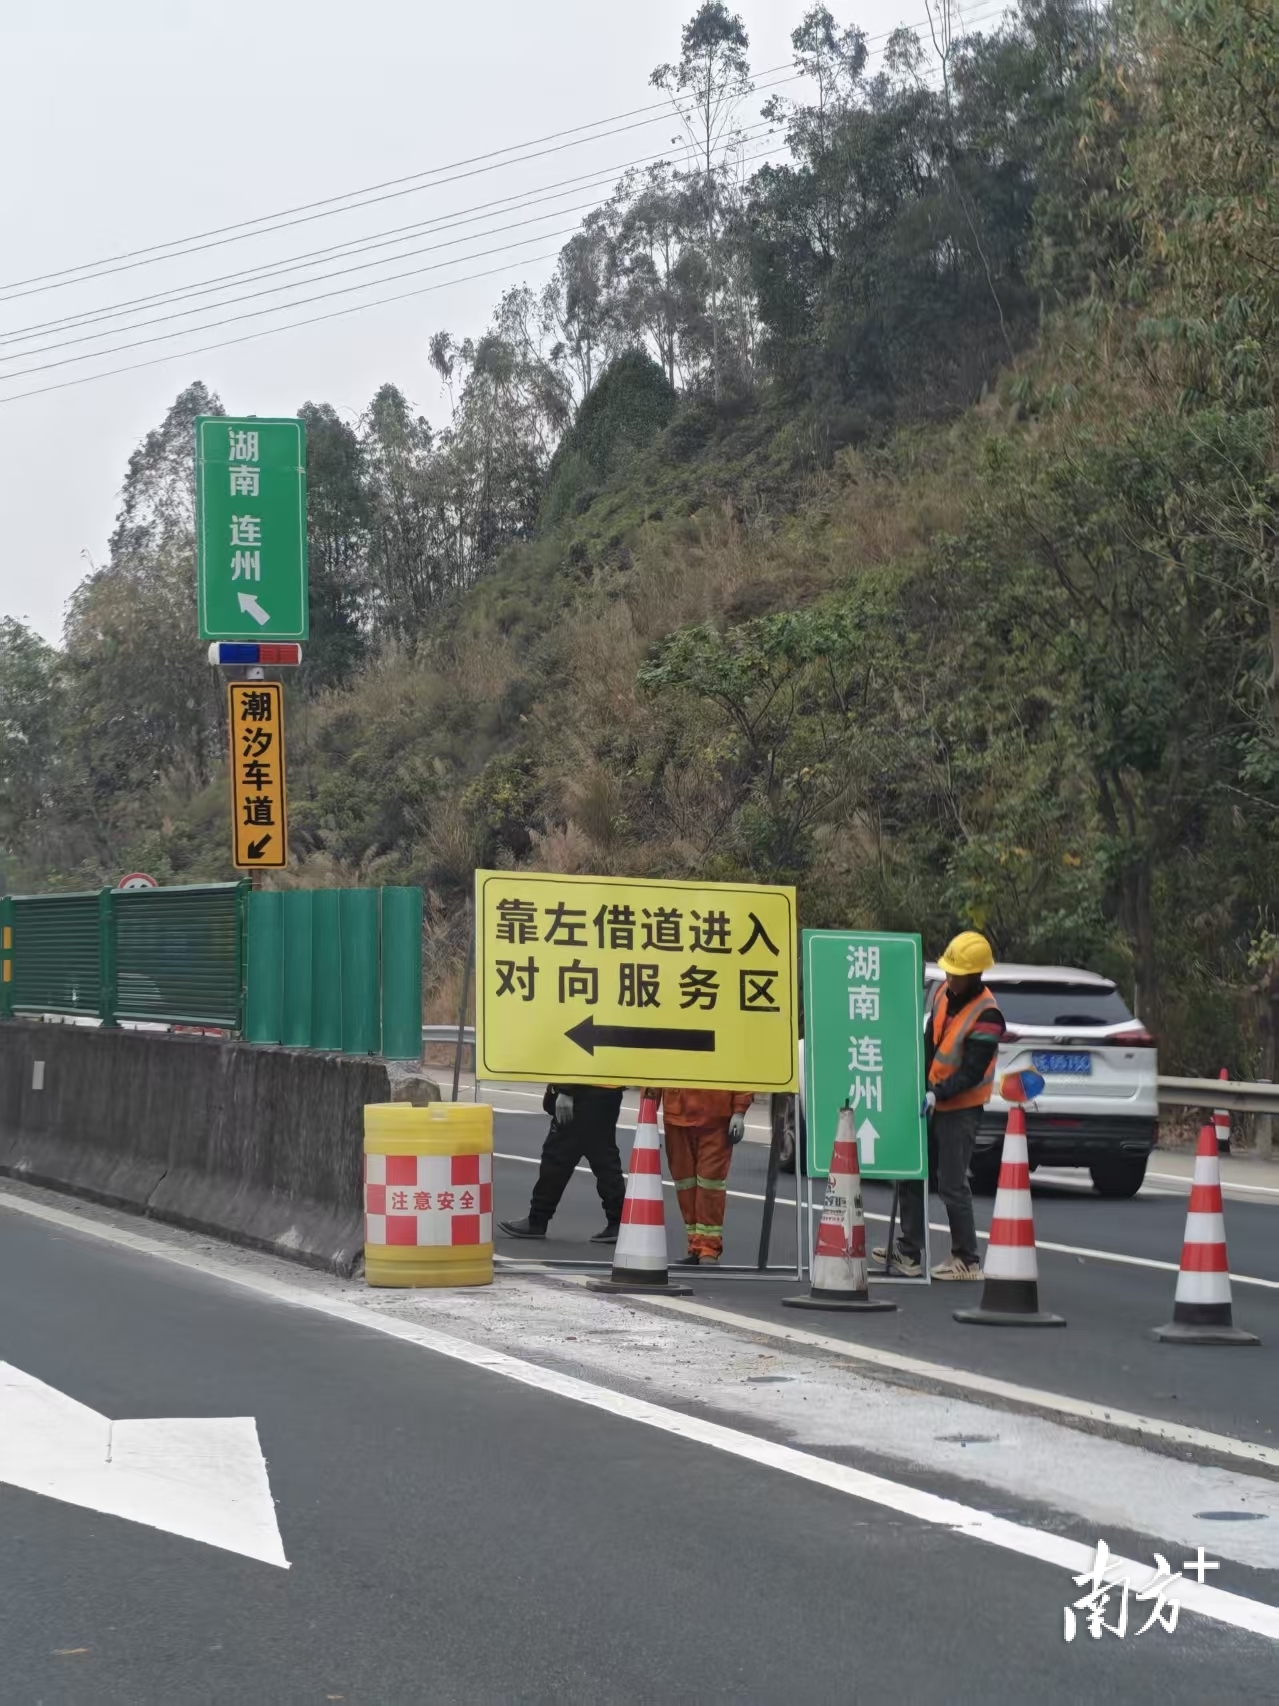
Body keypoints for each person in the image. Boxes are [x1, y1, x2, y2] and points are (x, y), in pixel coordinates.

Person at [876, 931, 1005, 1281]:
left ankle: (966, 1259)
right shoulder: (943, 995)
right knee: (912, 1172)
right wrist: (917, 1085)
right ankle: (909, 1252)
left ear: (975, 974)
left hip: (961, 1110)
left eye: (957, 973)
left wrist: (939, 1093)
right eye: (949, 971)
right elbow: (929, 1043)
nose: (950, 977)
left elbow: (972, 1071)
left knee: (951, 1183)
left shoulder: (988, 1015)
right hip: (931, 1101)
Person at [498, 1084, 625, 1244]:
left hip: (582, 1092)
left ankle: (537, 1220)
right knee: (603, 1157)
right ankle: (619, 1222)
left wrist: (565, 1090)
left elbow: (576, 1065)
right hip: (608, 1091)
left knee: (557, 1158)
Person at [645, 1086, 752, 1266]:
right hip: (678, 1116)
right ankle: (696, 1245)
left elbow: (741, 1072)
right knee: (685, 1184)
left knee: (710, 1184)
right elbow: (653, 1073)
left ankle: (708, 1248)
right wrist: (647, 1111)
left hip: (715, 1117)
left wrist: (739, 1111)